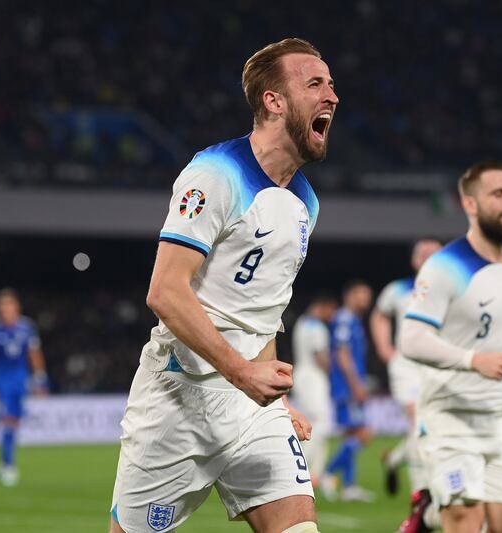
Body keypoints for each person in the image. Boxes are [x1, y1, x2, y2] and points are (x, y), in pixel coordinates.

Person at [109, 37, 338, 533]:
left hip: (253, 407)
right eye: (315, 83)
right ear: (273, 101)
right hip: (179, 399)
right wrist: (241, 373)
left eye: (332, 85)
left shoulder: (305, 202)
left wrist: (275, 396)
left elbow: (264, 311)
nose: (332, 96)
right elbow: (165, 292)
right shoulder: (213, 175)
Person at [399, 161, 502, 533]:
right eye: (498, 194)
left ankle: (428, 512)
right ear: (470, 205)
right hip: (450, 418)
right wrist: (472, 360)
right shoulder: (445, 266)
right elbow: (410, 339)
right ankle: (432, 514)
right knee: (465, 523)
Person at [371, 237, 442, 498]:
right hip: (406, 366)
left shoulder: (452, 291)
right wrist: (383, 347)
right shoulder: (398, 290)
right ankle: (420, 492)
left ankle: (394, 459)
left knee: (432, 425)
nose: (430, 259)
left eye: (436, 254)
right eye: (424, 254)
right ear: (415, 260)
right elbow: (379, 314)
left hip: (437, 366)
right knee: (417, 419)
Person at [0, 288, 48, 487]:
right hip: (2, 381)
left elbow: (34, 354)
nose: (6, 309)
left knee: (13, 422)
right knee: (8, 420)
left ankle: (3, 462)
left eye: (9, 305)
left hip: (21, 380)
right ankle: (8, 466)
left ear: (16, 307)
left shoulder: (26, 328)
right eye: (2, 305)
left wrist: (40, 378)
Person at [321, 280, 376, 502]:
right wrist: (356, 385)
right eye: (360, 294)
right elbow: (342, 353)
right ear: (349, 296)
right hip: (347, 387)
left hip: (348, 385)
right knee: (364, 435)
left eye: (367, 295)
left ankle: (349, 486)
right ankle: (327, 472)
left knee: (351, 436)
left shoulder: (353, 320)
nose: (364, 299)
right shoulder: (344, 319)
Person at [291, 293, 338, 485]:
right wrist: (332, 371)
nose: (333, 316)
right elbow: (320, 355)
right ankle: (306, 467)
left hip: (301, 373)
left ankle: (312, 470)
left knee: (310, 420)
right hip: (313, 376)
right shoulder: (317, 327)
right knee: (321, 421)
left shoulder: (302, 322)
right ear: (323, 306)